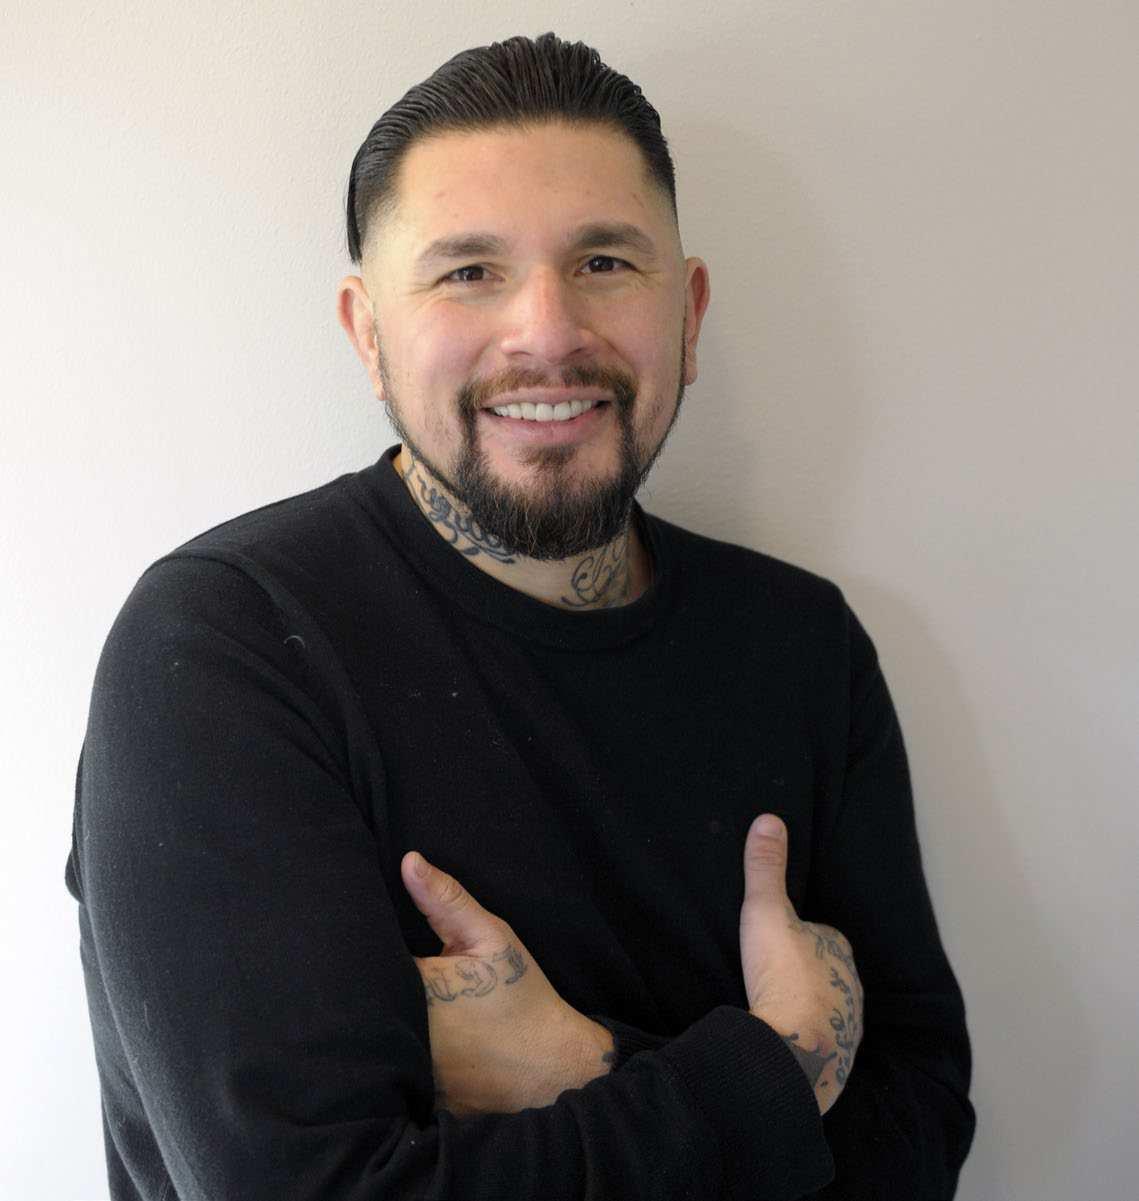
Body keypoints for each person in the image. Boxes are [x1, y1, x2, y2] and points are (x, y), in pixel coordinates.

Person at [65, 31, 975, 1201]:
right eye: (467, 272)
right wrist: (784, 1064)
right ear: (367, 333)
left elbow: (920, 1133)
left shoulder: (803, 644)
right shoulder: (222, 647)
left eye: (603, 261)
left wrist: (580, 1064)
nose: (546, 331)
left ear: (688, 314)